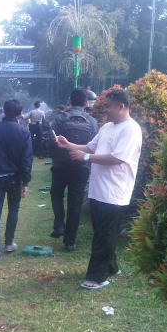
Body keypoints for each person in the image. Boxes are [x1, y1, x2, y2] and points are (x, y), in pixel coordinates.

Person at [55, 90, 142, 289]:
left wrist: (85, 158)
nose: (105, 110)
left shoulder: (131, 129)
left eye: (108, 106)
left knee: (104, 234)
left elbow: (117, 158)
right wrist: (68, 145)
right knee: (103, 232)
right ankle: (111, 267)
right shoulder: (107, 127)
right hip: (97, 190)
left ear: (121, 106)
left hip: (115, 192)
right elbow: (90, 147)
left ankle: (96, 277)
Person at [0, 99, 33, 261]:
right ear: (20, 113)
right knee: (13, 209)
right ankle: (9, 243)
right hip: (15, 178)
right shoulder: (23, 132)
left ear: (3, 110)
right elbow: (26, 160)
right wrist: (26, 182)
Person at [49, 89, 98, 252]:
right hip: (81, 166)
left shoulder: (60, 118)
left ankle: (59, 224)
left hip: (60, 165)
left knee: (56, 194)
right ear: (86, 103)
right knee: (75, 203)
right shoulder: (92, 121)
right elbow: (94, 145)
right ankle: (69, 242)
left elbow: (51, 139)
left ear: (69, 100)